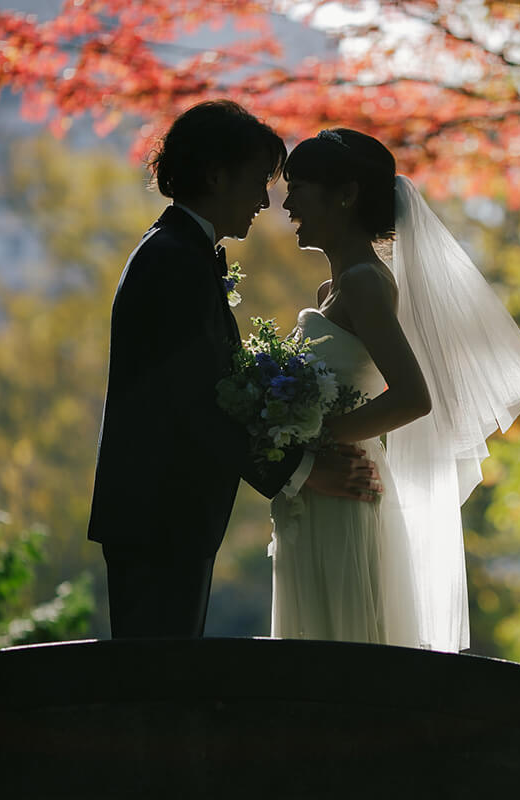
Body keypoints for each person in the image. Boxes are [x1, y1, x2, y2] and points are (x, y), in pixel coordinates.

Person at [88, 101, 382, 639]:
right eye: (256, 181)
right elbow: (196, 400)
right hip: (160, 514)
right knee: (157, 680)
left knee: (160, 675)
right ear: (216, 175)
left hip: (164, 512)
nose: (266, 200)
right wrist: (300, 469)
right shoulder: (175, 261)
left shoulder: (179, 252)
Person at [271, 128, 520, 652]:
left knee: (343, 645)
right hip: (318, 490)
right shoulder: (336, 287)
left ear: (345, 194)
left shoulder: (364, 284)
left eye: (299, 187)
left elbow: (413, 397)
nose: (287, 203)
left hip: (344, 484)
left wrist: (315, 442)